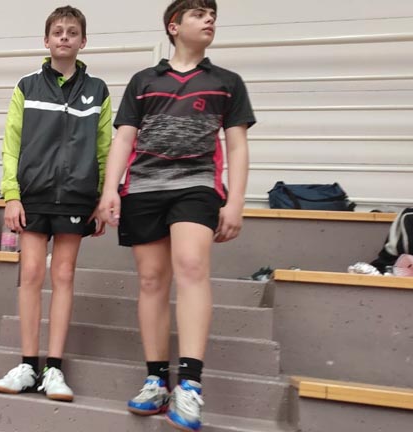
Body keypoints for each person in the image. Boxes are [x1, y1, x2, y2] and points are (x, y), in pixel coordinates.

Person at [96, 1, 255, 429]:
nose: (210, 19)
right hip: (144, 188)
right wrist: (110, 189)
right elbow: (124, 139)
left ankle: (189, 385)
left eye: (212, 15)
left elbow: (237, 145)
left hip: (196, 186)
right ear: (174, 26)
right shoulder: (144, 81)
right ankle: (156, 380)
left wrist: (236, 201)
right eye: (199, 13)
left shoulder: (227, 82)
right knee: (151, 280)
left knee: (191, 266)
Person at [0, 5, 112, 403]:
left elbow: (105, 148)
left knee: (63, 275)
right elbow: (11, 144)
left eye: (72, 32)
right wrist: (11, 194)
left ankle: (54, 368)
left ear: (83, 41)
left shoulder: (98, 91)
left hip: (76, 197)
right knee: (30, 274)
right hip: (33, 195)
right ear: (46, 40)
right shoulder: (26, 87)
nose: (64, 37)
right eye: (58, 31)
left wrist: (100, 197)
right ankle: (28, 365)